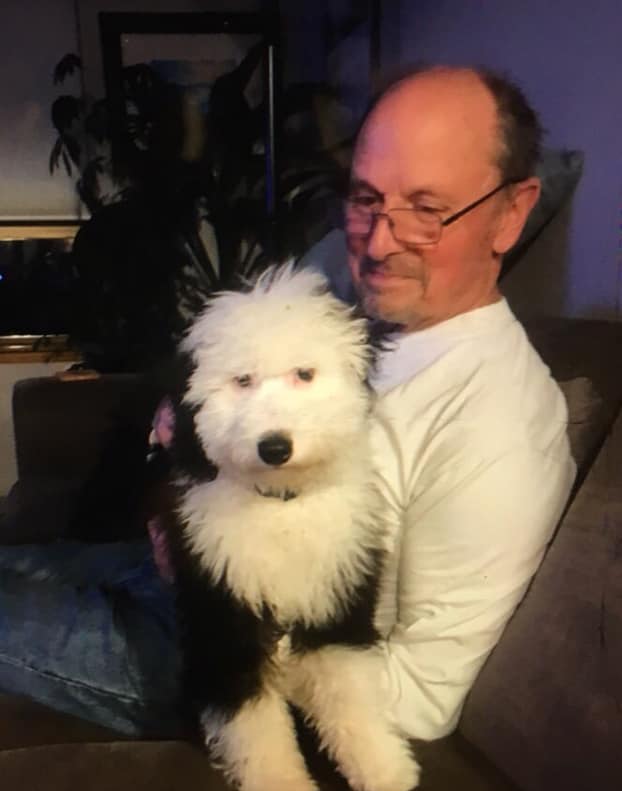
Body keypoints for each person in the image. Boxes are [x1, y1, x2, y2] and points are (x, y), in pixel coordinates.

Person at [0, 65, 575, 741]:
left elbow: (423, 700)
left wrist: (237, 634)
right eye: (366, 199)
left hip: (228, 657)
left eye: (427, 210)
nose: (379, 241)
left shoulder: (501, 427)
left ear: (511, 213)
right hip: (178, 568)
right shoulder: (341, 302)